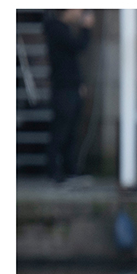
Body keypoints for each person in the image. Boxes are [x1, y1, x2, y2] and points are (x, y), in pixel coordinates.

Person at [41, 9, 94, 181]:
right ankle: (54, 170)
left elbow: (72, 61)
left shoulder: (63, 28)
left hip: (71, 86)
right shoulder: (56, 29)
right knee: (61, 130)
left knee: (71, 130)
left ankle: (69, 169)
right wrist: (86, 28)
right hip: (63, 88)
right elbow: (77, 47)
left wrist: (80, 83)